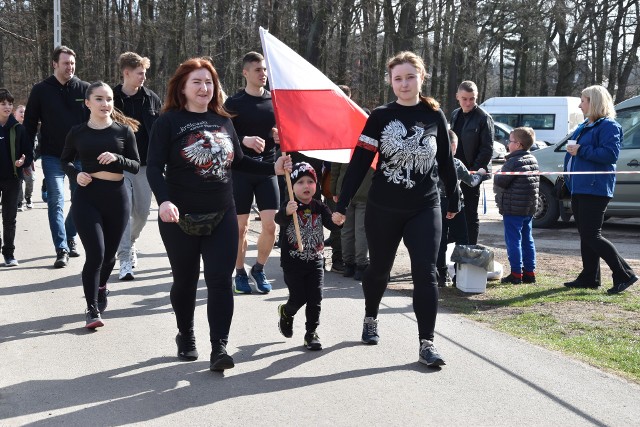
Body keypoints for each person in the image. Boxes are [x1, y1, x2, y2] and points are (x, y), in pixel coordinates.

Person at [146, 57, 291, 372]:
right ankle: (185, 334)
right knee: (184, 282)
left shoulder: (223, 120)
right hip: (179, 217)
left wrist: (272, 167)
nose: (204, 87)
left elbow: (237, 161)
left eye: (209, 81)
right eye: (197, 82)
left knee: (220, 281)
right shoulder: (168, 121)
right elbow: (155, 167)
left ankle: (219, 347)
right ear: (182, 87)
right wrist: (164, 201)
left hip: (221, 214)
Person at [334, 51, 460, 367]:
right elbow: (360, 161)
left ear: (421, 77)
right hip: (383, 207)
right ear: (391, 81)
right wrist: (342, 202)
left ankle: (426, 343)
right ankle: (371, 317)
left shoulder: (435, 116)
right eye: (398, 78)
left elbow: (444, 161)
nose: (404, 84)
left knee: (426, 273)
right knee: (379, 270)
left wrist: (455, 197)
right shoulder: (380, 116)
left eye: (410, 77)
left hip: (424, 206)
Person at [61, 81, 140, 328]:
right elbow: (65, 161)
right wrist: (76, 174)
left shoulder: (123, 132)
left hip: (117, 197)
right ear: (88, 103)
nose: (105, 104)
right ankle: (92, 309)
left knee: (108, 258)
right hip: (88, 197)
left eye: (109, 99)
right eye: (99, 99)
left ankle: (102, 285)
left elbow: (136, 166)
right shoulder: (77, 132)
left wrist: (118, 158)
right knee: (95, 254)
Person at [563, 85, 637, 294]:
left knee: (591, 234)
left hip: (595, 188)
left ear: (594, 102)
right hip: (579, 187)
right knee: (586, 234)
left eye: (583, 100)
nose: (580, 104)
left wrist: (580, 150)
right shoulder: (586, 125)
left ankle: (625, 273)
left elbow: (610, 155)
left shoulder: (609, 126)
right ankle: (589, 277)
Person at [24, 45, 90, 268]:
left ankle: (70, 234)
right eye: (65, 63)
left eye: (72, 63)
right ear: (54, 64)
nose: (70, 67)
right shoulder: (40, 90)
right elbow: (30, 125)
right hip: (52, 156)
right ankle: (61, 247)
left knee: (81, 201)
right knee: (56, 201)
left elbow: (97, 123)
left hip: (80, 157)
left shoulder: (85, 89)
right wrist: (28, 154)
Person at [223, 51, 280, 294]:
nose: (263, 74)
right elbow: (220, 134)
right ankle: (239, 272)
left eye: (265, 70)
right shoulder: (233, 104)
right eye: (258, 70)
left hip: (267, 170)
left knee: (270, 226)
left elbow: (284, 138)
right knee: (240, 228)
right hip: (240, 172)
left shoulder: (275, 101)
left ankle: (258, 268)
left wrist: (280, 138)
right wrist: (242, 139)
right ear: (245, 73)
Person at [275, 162, 341, 351]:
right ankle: (287, 312)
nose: (306, 186)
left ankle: (311, 332)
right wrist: (287, 212)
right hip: (292, 263)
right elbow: (278, 219)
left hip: (315, 262)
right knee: (298, 297)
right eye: (300, 182)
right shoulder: (289, 206)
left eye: (310, 181)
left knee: (315, 298)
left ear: (316, 185)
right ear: (292, 186)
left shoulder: (319, 206)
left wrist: (339, 221)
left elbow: (332, 224)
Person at [113, 52, 163, 281]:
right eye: (140, 73)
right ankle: (124, 259)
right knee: (123, 212)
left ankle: (130, 242)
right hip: (118, 165)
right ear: (126, 73)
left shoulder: (152, 98)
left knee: (142, 213)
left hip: (145, 166)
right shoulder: (111, 98)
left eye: (145, 73)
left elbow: (162, 130)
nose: (144, 77)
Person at [436, 130, 486, 287]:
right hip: (456, 204)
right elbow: (471, 182)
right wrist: (480, 173)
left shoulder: (431, 162)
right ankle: (460, 274)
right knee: (462, 239)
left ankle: (441, 274)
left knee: (440, 240)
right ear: (452, 146)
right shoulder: (456, 163)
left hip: (437, 204)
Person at [493, 127, 539, 284]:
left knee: (513, 240)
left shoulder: (513, 161)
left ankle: (516, 273)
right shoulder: (533, 159)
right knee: (527, 239)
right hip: (528, 207)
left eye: (510, 141)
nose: (507, 144)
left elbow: (500, 180)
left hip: (513, 208)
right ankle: (529, 272)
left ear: (518, 144)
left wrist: (499, 171)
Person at [450, 80, 494, 245]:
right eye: (464, 99)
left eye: (472, 99)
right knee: (453, 211)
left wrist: (472, 174)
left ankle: (470, 249)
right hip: (454, 171)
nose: (468, 102)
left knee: (470, 214)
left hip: (472, 173)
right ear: (457, 97)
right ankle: (455, 247)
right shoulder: (455, 114)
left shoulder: (483, 117)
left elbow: (487, 150)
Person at [0, 89, 33, 266]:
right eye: (3, 103)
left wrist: (23, 160)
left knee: (9, 217)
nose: (7, 106)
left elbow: (28, 152)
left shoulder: (19, 128)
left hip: (13, 179)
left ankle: (9, 254)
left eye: (10, 104)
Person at [13, 105, 35, 211]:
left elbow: (32, 144)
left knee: (30, 179)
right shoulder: (12, 127)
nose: (23, 114)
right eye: (21, 112)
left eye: (25, 112)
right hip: (15, 160)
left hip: (28, 159)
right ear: (15, 114)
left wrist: (32, 159)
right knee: (18, 181)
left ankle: (28, 197)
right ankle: (19, 201)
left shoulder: (29, 128)